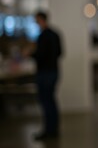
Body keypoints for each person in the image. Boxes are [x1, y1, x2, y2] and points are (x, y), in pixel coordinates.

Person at [31, 11, 63, 140]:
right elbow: (60, 52)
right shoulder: (55, 34)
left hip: (45, 73)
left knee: (46, 102)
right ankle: (53, 129)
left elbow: (40, 55)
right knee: (51, 101)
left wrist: (31, 54)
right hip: (54, 71)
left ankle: (49, 131)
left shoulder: (43, 36)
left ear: (41, 20)